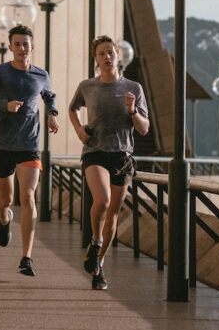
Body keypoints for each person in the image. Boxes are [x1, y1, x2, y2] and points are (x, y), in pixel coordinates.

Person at [0, 24, 59, 277]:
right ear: (10, 47)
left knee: (28, 197)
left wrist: (52, 114)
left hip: (29, 145)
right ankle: (4, 219)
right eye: (17, 44)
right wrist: (3, 106)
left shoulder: (41, 74)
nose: (21, 48)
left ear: (33, 46)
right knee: (5, 199)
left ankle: (27, 258)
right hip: (2, 145)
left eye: (25, 44)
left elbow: (49, 96)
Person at [68, 35, 150, 290]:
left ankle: (99, 266)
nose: (106, 57)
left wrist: (133, 111)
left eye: (110, 52)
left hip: (122, 156)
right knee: (101, 200)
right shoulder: (87, 86)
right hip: (95, 152)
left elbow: (144, 129)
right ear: (96, 58)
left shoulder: (133, 88)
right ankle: (95, 241)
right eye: (101, 53)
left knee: (112, 213)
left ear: (118, 56)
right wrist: (79, 130)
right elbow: (72, 109)